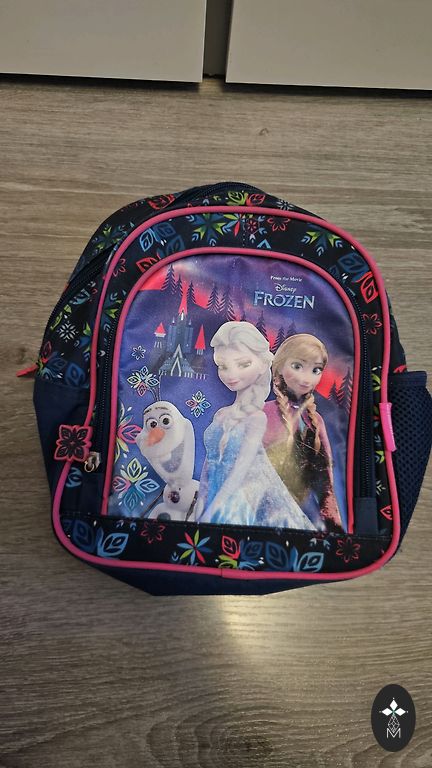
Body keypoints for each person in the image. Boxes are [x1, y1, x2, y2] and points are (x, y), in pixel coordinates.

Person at [192, 321, 316, 530]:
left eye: (243, 364)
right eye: (223, 366)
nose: (231, 374)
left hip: (236, 503)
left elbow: (240, 471)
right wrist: (201, 503)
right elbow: (208, 466)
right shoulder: (221, 415)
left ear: (262, 364)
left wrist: (215, 508)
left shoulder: (256, 418)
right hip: (212, 496)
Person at [263, 333, 344, 532]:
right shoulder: (263, 413)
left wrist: (332, 523)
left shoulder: (316, 420)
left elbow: (326, 481)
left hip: (305, 512)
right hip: (265, 510)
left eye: (316, 370)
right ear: (279, 367)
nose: (306, 378)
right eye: (297, 366)